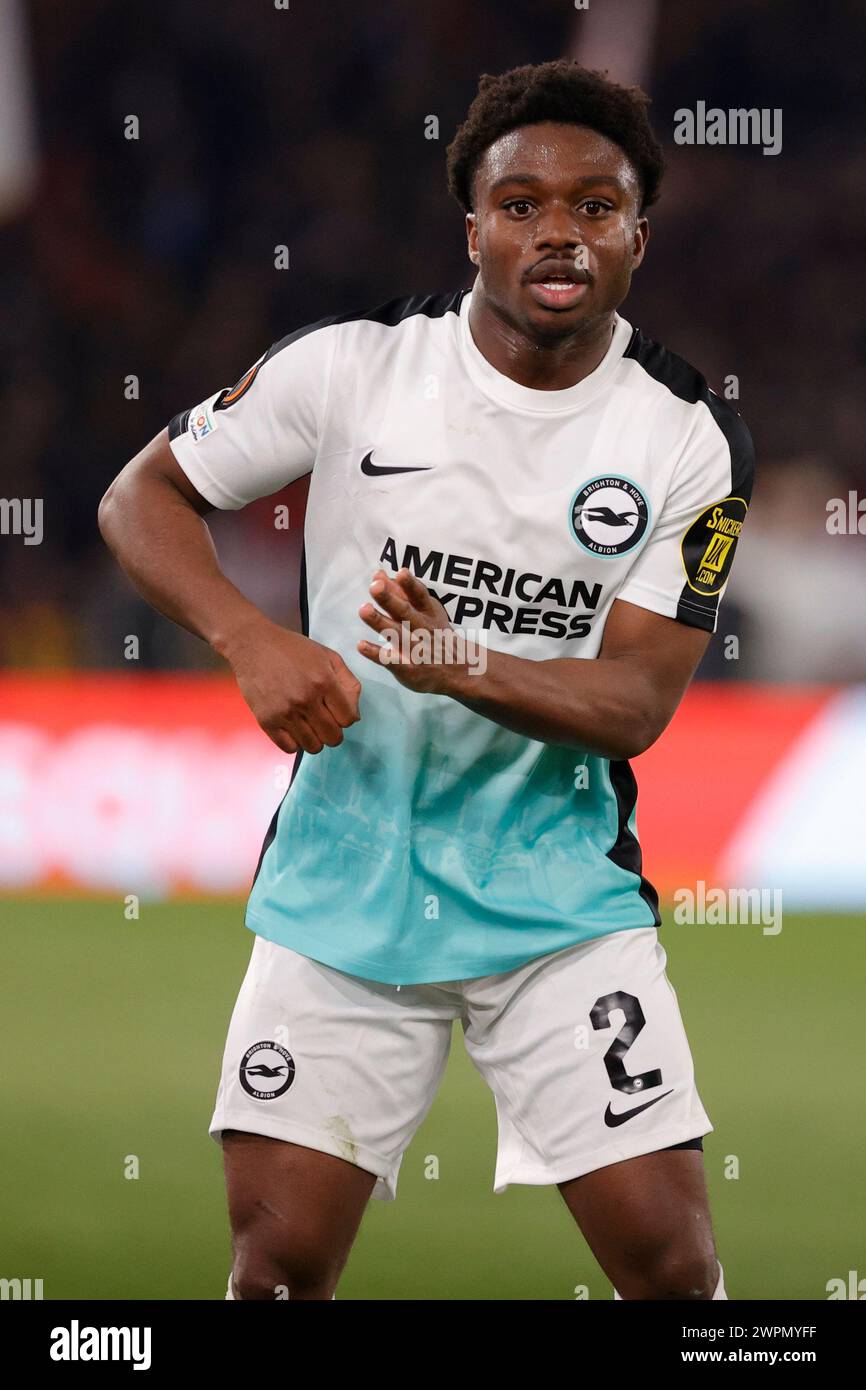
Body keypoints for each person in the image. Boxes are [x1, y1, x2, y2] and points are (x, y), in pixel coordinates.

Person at [98, 59, 753, 1301]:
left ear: (637, 236)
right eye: (520, 205)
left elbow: (636, 705)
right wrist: (250, 637)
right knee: (276, 1270)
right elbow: (141, 497)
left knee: (672, 1273)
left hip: (556, 908)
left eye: (593, 206)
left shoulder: (685, 438)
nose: (556, 230)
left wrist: (463, 662)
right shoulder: (350, 369)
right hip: (345, 888)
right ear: (472, 231)